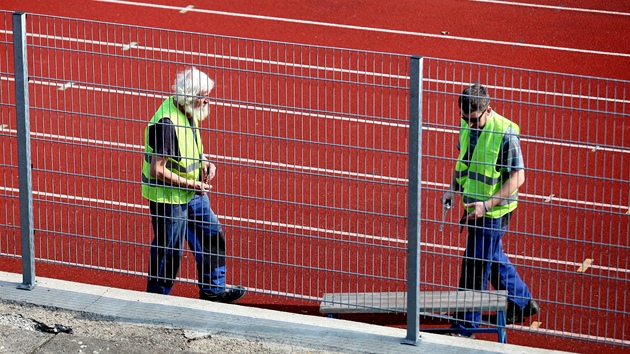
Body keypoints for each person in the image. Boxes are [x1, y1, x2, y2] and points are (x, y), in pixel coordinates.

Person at [441, 84, 539, 337]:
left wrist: (487, 205)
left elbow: (517, 178)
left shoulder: (505, 134)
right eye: (464, 118)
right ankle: (523, 302)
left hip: (493, 213)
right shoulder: (467, 123)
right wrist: (452, 189)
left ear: (488, 110)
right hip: (473, 206)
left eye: (473, 120)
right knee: (491, 257)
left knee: (474, 268)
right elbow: (463, 161)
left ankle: (465, 327)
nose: (469, 124)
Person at [141, 67, 246, 303]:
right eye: (203, 95)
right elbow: (156, 170)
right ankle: (156, 301)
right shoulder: (167, 124)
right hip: (170, 198)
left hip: (192, 192)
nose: (207, 100)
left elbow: (191, 149)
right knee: (169, 252)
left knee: (211, 233)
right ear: (189, 97)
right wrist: (192, 183)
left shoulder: (188, 112)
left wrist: (206, 162)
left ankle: (213, 290)